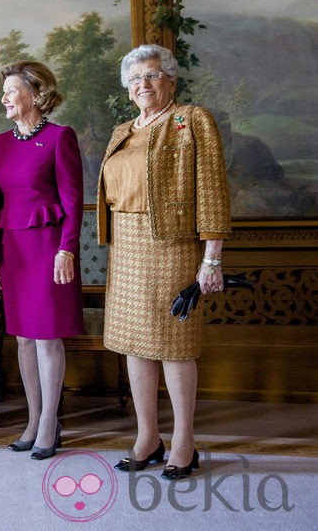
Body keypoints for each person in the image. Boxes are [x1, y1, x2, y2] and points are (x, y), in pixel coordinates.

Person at [98, 44, 231, 480]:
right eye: (135, 79)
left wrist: (211, 258)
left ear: (171, 79)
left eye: (152, 76)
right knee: (136, 344)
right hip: (127, 246)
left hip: (172, 245)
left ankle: (183, 443)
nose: (143, 85)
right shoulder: (123, 130)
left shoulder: (191, 120)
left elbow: (211, 191)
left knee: (174, 345)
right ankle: (147, 437)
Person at [0, 61, 84, 461]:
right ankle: (34, 418)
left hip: (49, 248)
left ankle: (49, 423)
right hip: (13, 250)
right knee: (23, 336)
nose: (4, 97)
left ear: (36, 94)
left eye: (11, 90)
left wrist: (67, 249)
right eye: (3, 91)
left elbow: (74, 201)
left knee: (46, 336)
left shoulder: (61, 138)